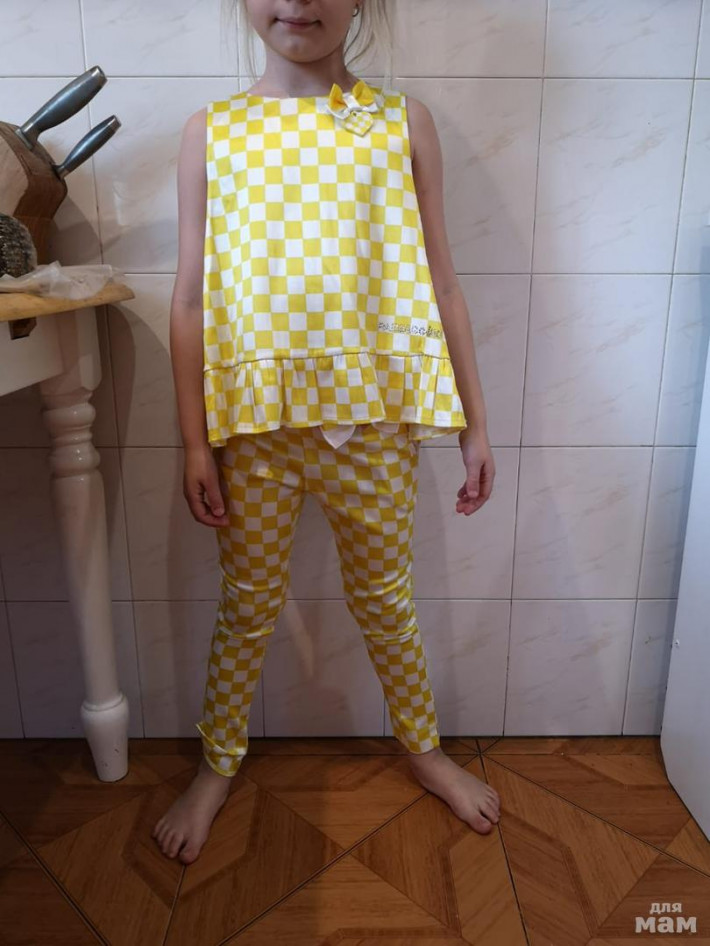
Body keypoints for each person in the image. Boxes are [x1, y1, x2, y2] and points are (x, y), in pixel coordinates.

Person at [152, 0, 499, 865]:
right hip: (254, 430)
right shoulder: (211, 134)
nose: (298, 1)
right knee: (247, 606)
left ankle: (423, 749)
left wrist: (474, 424)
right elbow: (190, 298)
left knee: (386, 600)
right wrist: (195, 440)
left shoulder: (402, 124)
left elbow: (443, 283)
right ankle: (218, 763)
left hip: (372, 424)